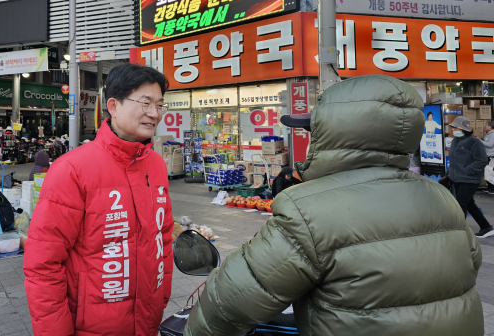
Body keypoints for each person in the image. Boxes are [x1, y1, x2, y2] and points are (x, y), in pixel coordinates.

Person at [184, 75, 484, 336]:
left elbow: (231, 302)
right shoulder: (441, 196)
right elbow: (470, 264)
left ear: (331, 135)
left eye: (312, 132)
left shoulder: (309, 209)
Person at [24, 63, 174, 336]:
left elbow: (162, 238)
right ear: (114, 106)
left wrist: (162, 295)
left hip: (147, 319)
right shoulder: (71, 169)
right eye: (145, 102)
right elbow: (43, 264)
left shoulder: (156, 165)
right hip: (92, 326)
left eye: (161, 104)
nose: (155, 113)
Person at [448, 116, 493, 238]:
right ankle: (486, 227)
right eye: (452, 127)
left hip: (469, 179)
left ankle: (459, 232)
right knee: (469, 204)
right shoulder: (455, 141)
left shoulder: (475, 142)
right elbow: (454, 160)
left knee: (460, 205)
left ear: (463, 128)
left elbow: (481, 160)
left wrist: (466, 170)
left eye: (455, 127)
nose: (452, 129)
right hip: (456, 178)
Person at [482, 120, 494, 194]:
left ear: (490, 127)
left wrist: (479, 141)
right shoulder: (487, 134)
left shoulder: (493, 135)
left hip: (491, 156)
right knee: (487, 172)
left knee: (491, 173)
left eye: (486, 125)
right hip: (487, 156)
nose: (484, 127)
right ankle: (489, 188)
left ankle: (492, 189)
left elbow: (490, 144)